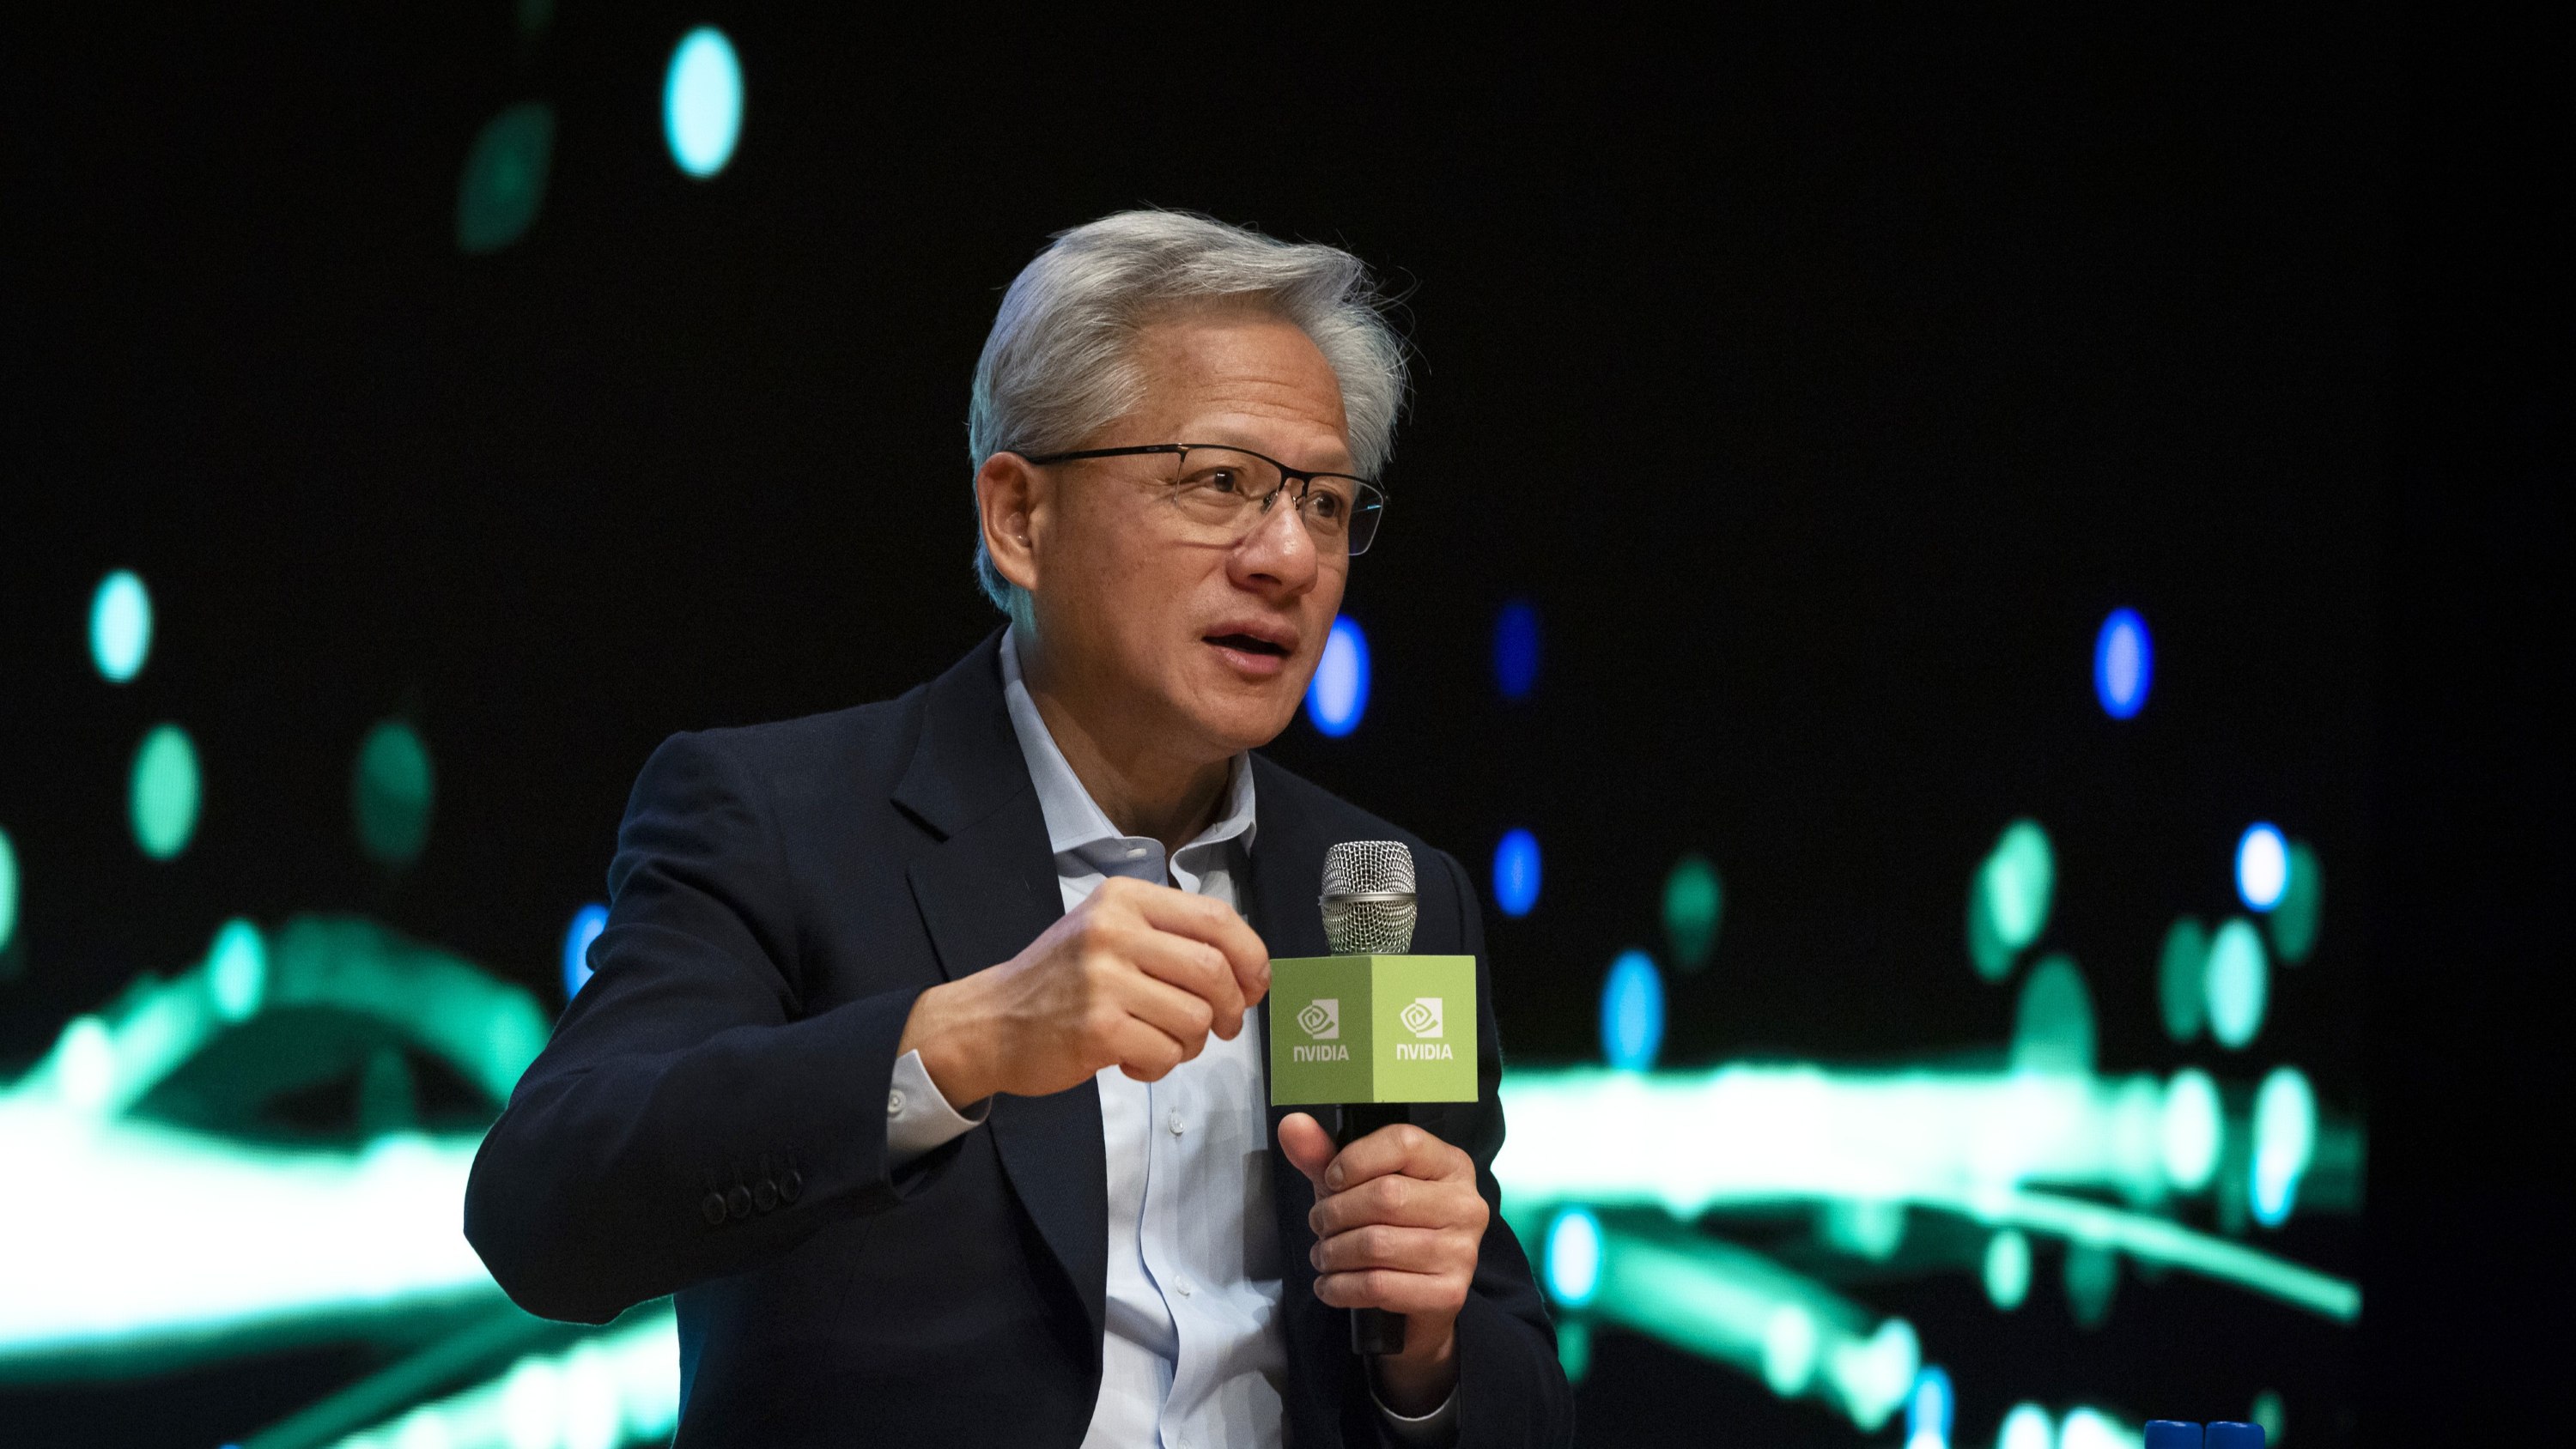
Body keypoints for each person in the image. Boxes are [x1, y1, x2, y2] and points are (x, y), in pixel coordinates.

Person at [465, 210, 1573, 1448]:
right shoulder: (780, 820)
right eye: (1221, 484)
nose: (1287, 556)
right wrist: (960, 1043)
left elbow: (1523, 1394)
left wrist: (1423, 1356)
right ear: (1019, 519)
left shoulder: (1377, 894)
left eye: (1326, 503)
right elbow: (541, 1209)